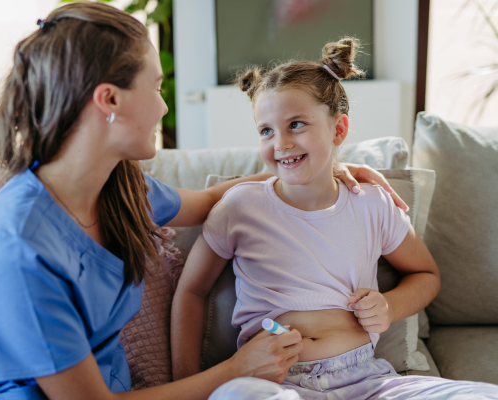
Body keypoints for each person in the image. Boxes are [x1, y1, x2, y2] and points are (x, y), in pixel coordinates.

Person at [0, 4, 408, 400]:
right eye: (156, 87)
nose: (163, 107)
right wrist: (235, 369)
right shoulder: (19, 247)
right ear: (110, 100)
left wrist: (314, 170)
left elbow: (205, 201)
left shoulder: (121, 186)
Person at [170, 38, 498, 400]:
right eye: (266, 130)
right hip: (272, 381)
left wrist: (390, 306)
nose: (280, 143)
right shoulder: (239, 207)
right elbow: (191, 291)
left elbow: (426, 275)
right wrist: (188, 385)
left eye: (296, 124)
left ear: (338, 130)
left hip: (368, 381)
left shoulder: (372, 203)